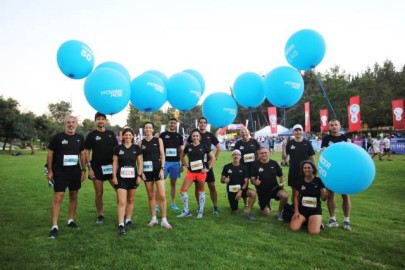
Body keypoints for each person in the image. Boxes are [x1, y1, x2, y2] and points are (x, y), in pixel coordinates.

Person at [46, 115, 86, 239]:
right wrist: (50, 171)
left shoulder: (80, 138)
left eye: (73, 122)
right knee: (59, 196)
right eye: (68, 122)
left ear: (76, 124)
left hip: (75, 172)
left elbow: (82, 154)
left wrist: (83, 170)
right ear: (65, 124)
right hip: (60, 172)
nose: (71, 124)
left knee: (73, 195)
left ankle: (71, 220)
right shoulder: (58, 137)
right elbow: (50, 154)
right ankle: (54, 226)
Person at [84, 112, 119, 224]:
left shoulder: (111, 134)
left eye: (103, 119)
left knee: (119, 190)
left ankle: (121, 212)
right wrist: (90, 168)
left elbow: (117, 151)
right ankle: (100, 215)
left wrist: (117, 165)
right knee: (99, 193)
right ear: (95, 121)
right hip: (97, 168)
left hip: (110, 167)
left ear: (106, 121)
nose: (101, 121)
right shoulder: (91, 135)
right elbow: (86, 152)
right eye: (98, 119)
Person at [321, 119, 352, 231]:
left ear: (340, 126)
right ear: (329, 127)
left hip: (344, 171)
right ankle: (333, 219)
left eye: (336, 125)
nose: (334, 127)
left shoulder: (345, 139)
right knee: (330, 195)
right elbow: (325, 153)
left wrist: (349, 145)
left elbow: (350, 155)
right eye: (332, 125)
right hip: (331, 171)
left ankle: (346, 221)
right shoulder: (326, 139)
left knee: (345, 195)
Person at [140, 122, 172, 229]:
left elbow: (163, 155)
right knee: (150, 195)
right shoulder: (141, 142)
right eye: (146, 127)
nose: (148, 129)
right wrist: (141, 172)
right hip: (147, 172)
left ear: (153, 130)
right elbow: (139, 159)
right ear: (144, 130)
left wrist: (162, 168)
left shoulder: (158, 140)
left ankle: (164, 220)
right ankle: (154, 218)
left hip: (158, 170)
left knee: (162, 195)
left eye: (150, 127)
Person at [178, 129, 215, 218]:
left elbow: (213, 158)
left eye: (197, 136)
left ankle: (200, 210)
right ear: (191, 137)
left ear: (200, 137)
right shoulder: (188, 147)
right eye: (193, 136)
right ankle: (186, 211)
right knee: (183, 190)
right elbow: (182, 156)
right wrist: (185, 164)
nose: (195, 137)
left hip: (201, 172)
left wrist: (208, 168)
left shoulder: (204, 146)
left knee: (201, 191)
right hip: (191, 172)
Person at [112, 127, 142, 235]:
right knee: (122, 202)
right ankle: (121, 224)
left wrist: (139, 176)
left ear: (132, 136)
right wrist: (114, 176)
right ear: (123, 136)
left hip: (133, 178)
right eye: (126, 135)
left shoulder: (136, 148)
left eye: (130, 135)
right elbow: (115, 163)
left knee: (131, 200)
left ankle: (128, 220)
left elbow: (139, 163)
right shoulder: (117, 148)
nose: (128, 137)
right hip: (121, 178)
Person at [187, 117, 221, 214]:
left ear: (206, 124)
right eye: (200, 122)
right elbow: (187, 147)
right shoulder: (194, 134)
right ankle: (199, 207)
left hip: (207, 164)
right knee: (197, 187)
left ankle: (215, 207)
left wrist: (215, 159)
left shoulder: (210, 135)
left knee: (211, 185)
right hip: (196, 165)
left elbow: (218, 147)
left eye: (204, 122)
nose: (202, 124)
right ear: (198, 124)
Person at [290, 160, 327, 234]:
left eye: (309, 168)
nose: (307, 170)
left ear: (313, 169)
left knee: (313, 232)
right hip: (302, 211)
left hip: (315, 211)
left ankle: (316, 222)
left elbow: (323, 199)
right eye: (305, 168)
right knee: (293, 228)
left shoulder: (319, 181)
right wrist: (296, 211)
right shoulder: (299, 181)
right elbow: (296, 197)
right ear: (302, 169)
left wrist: (326, 194)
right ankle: (306, 221)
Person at [251, 146, 288, 221]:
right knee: (266, 213)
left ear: (269, 153)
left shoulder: (274, 163)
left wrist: (282, 184)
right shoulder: (255, 165)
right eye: (261, 153)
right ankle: (263, 203)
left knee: (284, 195)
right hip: (262, 191)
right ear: (258, 155)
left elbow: (280, 175)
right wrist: (255, 182)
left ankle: (279, 213)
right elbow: (252, 179)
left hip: (275, 188)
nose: (264, 154)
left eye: (265, 152)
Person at [282, 124, 316, 199]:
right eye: (296, 130)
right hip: (293, 171)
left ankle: (304, 209)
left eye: (299, 130)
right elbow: (284, 157)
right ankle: (295, 209)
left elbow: (312, 157)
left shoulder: (307, 143)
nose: (298, 132)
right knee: (294, 193)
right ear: (293, 132)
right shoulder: (290, 143)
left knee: (306, 191)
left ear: (302, 131)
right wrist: (283, 146)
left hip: (306, 171)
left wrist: (314, 170)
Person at [221, 149, 257, 221]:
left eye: (238, 155)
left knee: (252, 193)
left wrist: (241, 191)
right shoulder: (227, 167)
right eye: (234, 154)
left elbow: (246, 182)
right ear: (232, 156)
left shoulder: (244, 167)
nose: (236, 156)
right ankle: (234, 207)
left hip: (242, 190)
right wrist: (225, 180)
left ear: (240, 157)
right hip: (232, 191)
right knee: (234, 213)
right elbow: (221, 179)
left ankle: (248, 212)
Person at [159, 118, 184, 211]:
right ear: (168, 124)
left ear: (176, 124)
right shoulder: (163, 135)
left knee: (173, 183)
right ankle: (157, 204)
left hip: (175, 162)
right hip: (164, 162)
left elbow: (182, 150)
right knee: (160, 182)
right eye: (171, 123)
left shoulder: (179, 136)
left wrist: (182, 164)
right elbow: (159, 149)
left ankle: (173, 203)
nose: (173, 124)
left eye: (174, 123)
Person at [234, 127, 260, 207]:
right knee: (244, 185)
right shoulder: (238, 144)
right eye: (242, 132)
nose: (244, 134)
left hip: (253, 167)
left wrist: (258, 164)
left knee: (257, 184)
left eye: (245, 132)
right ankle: (246, 204)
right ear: (240, 134)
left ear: (248, 133)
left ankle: (261, 199)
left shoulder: (254, 142)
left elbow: (258, 154)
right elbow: (236, 155)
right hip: (243, 168)